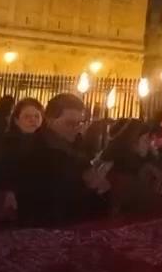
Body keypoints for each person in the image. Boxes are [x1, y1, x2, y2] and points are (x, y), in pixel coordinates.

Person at [13, 93, 112, 227]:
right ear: (50, 120)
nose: (76, 129)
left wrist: (101, 187)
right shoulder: (34, 151)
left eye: (80, 123)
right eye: (70, 123)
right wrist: (87, 186)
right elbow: (44, 201)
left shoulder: (78, 149)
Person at [101, 120, 162, 216]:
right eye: (146, 140)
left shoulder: (143, 164)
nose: (149, 143)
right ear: (133, 142)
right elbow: (158, 205)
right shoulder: (126, 169)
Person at [0, 95, 43, 221]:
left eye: (37, 116)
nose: (33, 120)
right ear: (17, 120)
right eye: (27, 117)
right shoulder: (7, 144)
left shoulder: (45, 144)